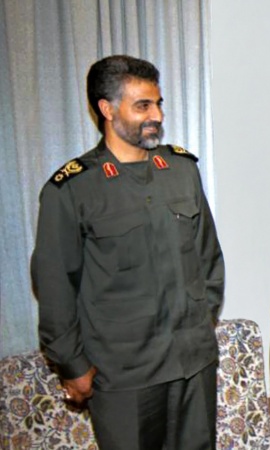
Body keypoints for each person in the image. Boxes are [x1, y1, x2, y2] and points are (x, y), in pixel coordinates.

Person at [30, 55, 224, 450]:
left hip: (192, 364)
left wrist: (201, 322)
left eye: (158, 104)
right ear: (107, 109)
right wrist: (73, 365)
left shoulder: (181, 170)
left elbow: (209, 259)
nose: (157, 115)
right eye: (143, 106)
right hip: (124, 375)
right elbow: (55, 286)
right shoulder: (73, 189)